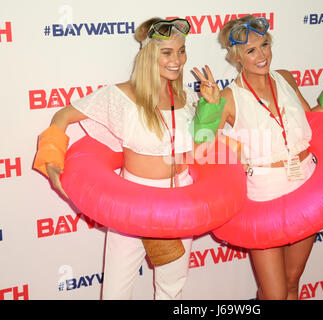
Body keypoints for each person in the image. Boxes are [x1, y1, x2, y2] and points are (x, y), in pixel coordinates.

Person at [33, 17, 222, 300]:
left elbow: (201, 143)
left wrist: (211, 106)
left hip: (179, 199)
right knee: (115, 292)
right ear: (148, 55)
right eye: (167, 52)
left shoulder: (183, 97)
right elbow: (63, 116)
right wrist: (52, 160)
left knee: (172, 288)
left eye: (181, 50)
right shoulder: (120, 95)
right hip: (131, 200)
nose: (177, 60)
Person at [214, 15, 323, 300]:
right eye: (251, 50)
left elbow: (313, 122)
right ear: (236, 57)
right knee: (275, 293)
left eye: (265, 45)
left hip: (305, 187)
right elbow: (202, 144)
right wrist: (233, 148)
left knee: (293, 282)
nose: (262, 55)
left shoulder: (285, 78)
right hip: (264, 199)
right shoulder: (228, 97)